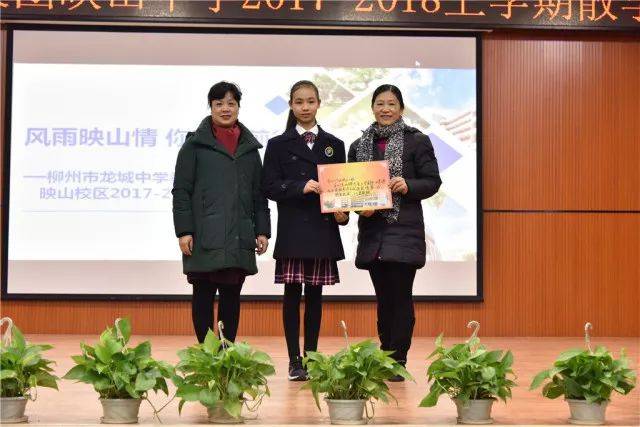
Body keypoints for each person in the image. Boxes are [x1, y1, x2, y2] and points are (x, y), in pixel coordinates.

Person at [348, 84, 441, 381]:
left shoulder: (417, 141)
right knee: (383, 299)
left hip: (404, 231)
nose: (385, 109)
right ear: (372, 107)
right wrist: (357, 206)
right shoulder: (358, 145)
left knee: (401, 297)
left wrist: (408, 185)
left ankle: (397, 359)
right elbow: (351, 191)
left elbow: (432, 181)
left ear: (401, 108)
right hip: (373, 234)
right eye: (380, 103)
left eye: (391, 104)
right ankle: (386, 353)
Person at [262, 80, 348, 381]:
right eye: (299, 102)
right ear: (291, 105)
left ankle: (311, 357)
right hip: (293, 229)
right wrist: (300, 186)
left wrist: (343, 213)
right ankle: (293, 361)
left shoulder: (335, 145)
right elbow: (269, 187)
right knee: (290, 296)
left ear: (319, 103)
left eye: (310, 101)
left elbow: (344, 190)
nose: (305, 107)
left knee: (315, 297)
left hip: (322, 232)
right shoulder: (277, 144)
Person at [172, 81, 270, 343]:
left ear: (238, 107)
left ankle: (227, 355)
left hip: (239, 236)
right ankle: (206, 356)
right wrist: (184, 231)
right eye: (219, 104)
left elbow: (259, 194)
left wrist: (262, 230)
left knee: (231, 299)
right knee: (202, 297)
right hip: (204, 236)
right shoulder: (194, 146)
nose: (225, 109)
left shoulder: (250, 149)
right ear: (211, 107)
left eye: (231, 103)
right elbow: (181, 191)